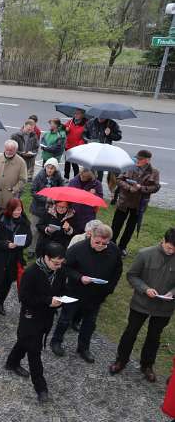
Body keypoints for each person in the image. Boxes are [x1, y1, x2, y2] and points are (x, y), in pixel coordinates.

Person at [4, 242, 68, 404]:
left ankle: (12, 362)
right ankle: (41, 387)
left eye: (61, 263)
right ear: (46, 258)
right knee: (34, 351)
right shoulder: (31, 273)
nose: (59, 267)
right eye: (55, 263)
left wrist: (61, 299)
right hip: (30, 316)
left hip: (46, 317)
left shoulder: (59, 271)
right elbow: (24, 298)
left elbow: (61, 289)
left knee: (24, 341)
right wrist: (48, 301)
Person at [49, 224, 122, 363]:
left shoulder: (114, 250)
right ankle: (56, 341)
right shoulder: (77, 249)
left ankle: (83, 348)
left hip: (96, 295)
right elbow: (63, 267)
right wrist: (79, 277)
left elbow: (117, 270)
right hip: (75, 291)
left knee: (90, 323)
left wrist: (109, 289)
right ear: (91, 236)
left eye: (104, 243)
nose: (100, 245)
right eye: (97, 242)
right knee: (65, 318)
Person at [110, 228, 175, 382]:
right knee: (131, 332)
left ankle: (147, 365)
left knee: (154, 336)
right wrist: (145, 289)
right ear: (163, 241)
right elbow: (132, 276)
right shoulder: (145, 254)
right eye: (169, 247)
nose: (172, 251)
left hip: (164, 308)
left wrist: (172, 293)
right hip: (141, 303)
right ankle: (121, 360)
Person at [0, 198, 31, 315]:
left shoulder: (24, 222)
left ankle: (0, 304)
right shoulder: (1, 221)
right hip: (1, 258)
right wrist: (7, 244)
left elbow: (29, 239)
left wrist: (21, 244)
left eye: (19, 209)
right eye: (15, 210)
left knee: (8, 283)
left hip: (15, 259)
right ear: (10, 210)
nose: (17, 212)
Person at [112, 150, 160, 256]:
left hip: (139, 204)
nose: (137, 160)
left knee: (130, 227)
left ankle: (122, 247)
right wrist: (129, 188)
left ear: (147, 160)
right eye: (137, 158)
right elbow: (119, 180)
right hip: (124, 201)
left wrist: (142, 188)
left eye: (140, 159)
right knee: (116, 224)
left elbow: (156, 187)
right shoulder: (130, 167)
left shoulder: (154, 172)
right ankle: (111, 244)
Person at [29, 158, 64, 253]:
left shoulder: (58, 178)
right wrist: (46, 199)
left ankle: (43, 248)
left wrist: (55, 198)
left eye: (52, 168)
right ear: (45, 167)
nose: (50, 170)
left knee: (48, 229)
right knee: (34, 229)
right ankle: (31, 249)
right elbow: (33, 191)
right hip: (38, 208)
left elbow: (61, 190)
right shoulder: (39, 176)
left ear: (55, 169)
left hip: (51, 210)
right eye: (48, 167)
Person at [0, 140, 27, 225]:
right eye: (6, 149)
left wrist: (15, 189)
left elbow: (23, 179)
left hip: (10, 196)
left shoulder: (21, 162)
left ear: (15, 150)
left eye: (11, 150)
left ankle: (6, 235)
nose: (8, 152)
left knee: (7, 218)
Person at [63, 109, 87, 179]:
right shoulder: (70, 121)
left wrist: (79, 145)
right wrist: (65, 129)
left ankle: (76, 178)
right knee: (67, 163)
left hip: (76, 147)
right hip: (68, 145)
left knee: (75, 164)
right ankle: (66, 177)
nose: (76, 115)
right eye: (75, 113)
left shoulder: (86, 124)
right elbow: (63, 128)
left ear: (82, 115)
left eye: (78, 114)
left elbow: (84, 137)